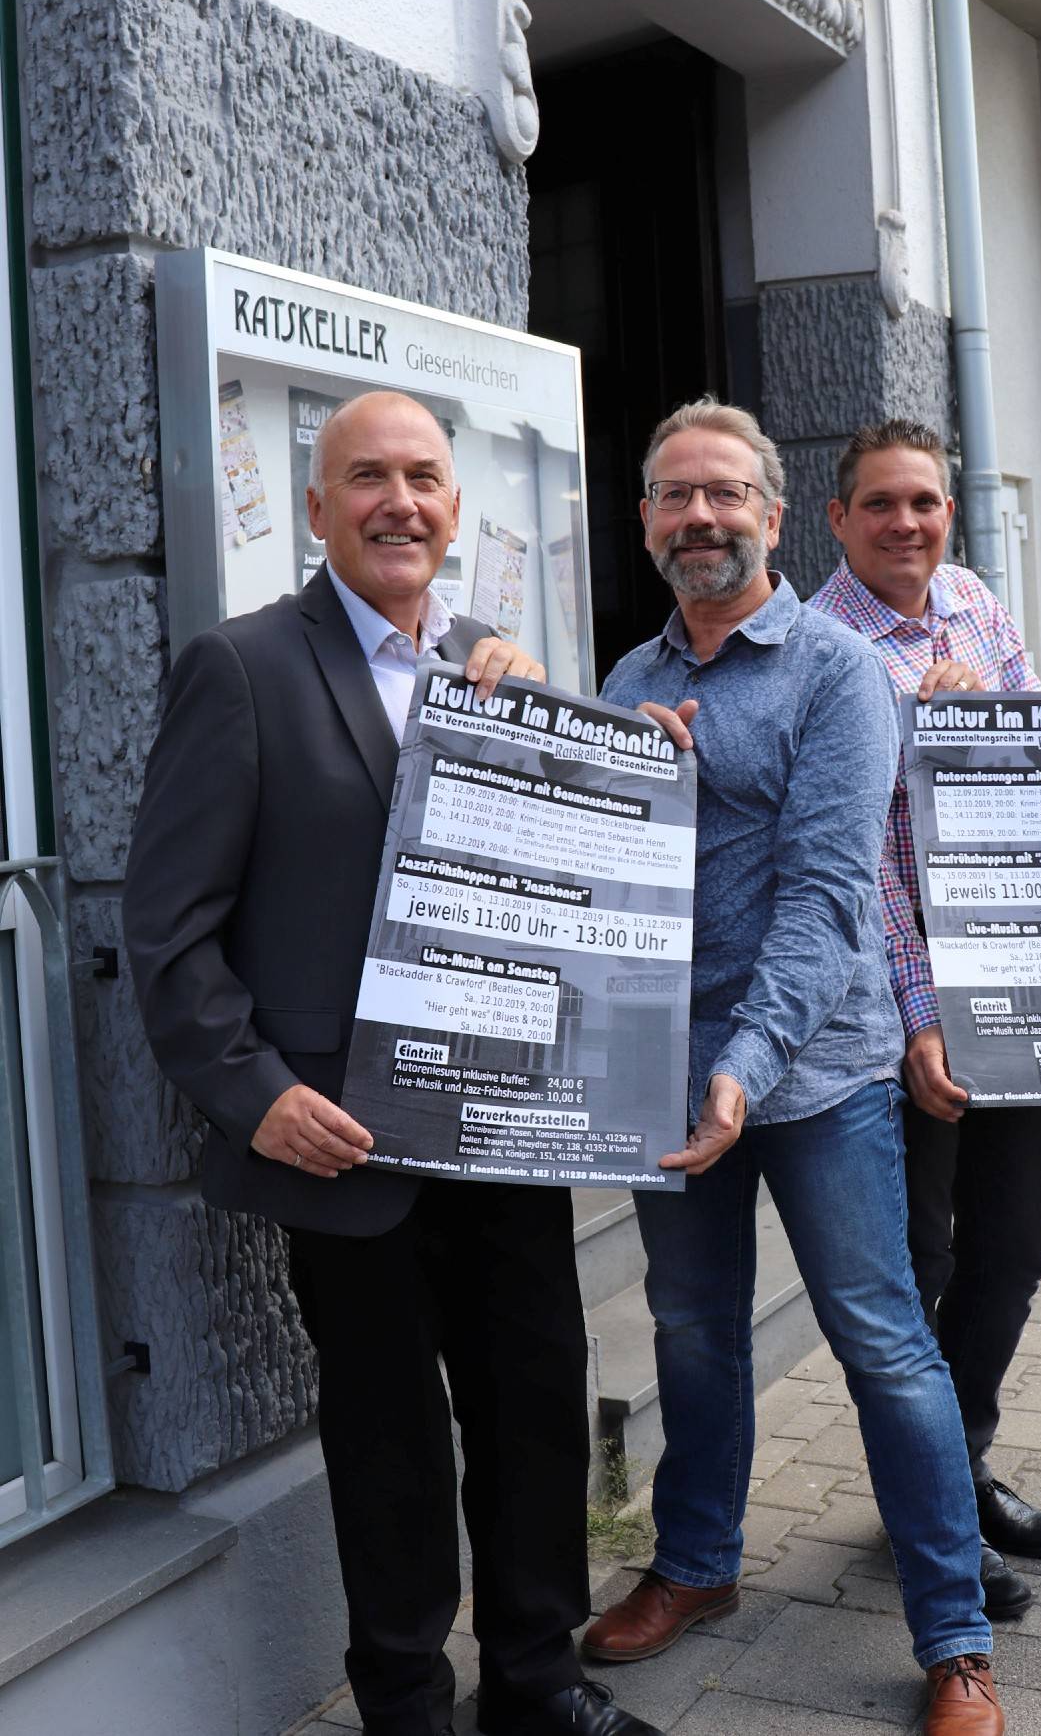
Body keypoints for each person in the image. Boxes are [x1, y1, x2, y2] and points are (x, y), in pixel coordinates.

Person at [124, 389, 662, 1736]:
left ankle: (536, 1685)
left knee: (538, 1416)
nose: (399, 502)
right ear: (317, 509)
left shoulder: (501, 663)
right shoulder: (240, 669)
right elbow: (169, 934)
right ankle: (408, 1707)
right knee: (390, 1449)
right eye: (368, 477)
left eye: (424, 476)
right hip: (344, 1145)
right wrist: (259, 1099)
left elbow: (574, 903)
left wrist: (566, 748)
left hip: (509, 1132)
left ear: (456, 508)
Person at [582, 398, 1005, 1736]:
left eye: (725, 496)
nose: (698, 518)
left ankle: (955, 1640)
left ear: (773, 515)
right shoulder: (624, 686)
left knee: (881, 1342)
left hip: (818, 1073)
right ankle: (697, 1564)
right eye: (672, 496)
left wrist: (744, 1070)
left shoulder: (837, 673)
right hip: (663, 1072)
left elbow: (830, 904)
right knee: (694, 1334)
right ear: (644, 519)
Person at [811, 419, 1041, 1619]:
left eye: (923, 501)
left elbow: (1032, 778)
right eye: (880, 504)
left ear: (949, 513)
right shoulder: (818, 647)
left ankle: (957, 1461)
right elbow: (854, 855)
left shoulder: (978, 603)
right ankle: (934, 1511)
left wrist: (1000, 724)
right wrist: (921, 1013)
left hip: (1013, 986)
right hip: (892, 1013)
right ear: (838, 520)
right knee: (923, 1262)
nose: (905, 522)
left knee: (1013, 1247)